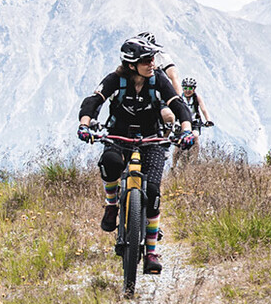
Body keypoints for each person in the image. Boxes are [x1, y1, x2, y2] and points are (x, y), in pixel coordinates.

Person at [78, 34, 198, 275]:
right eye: (146, 60)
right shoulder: (115, 79)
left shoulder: (158, 79)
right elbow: (93, 100)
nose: (152, 63)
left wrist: (186, 130)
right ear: (131, 64)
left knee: (153, 193)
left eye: (153, 59)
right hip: (118, 136)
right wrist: (84, 124)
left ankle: (151, 252)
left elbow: (178, 104)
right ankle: (112, 205)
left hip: (152, 138)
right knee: (110, 163)